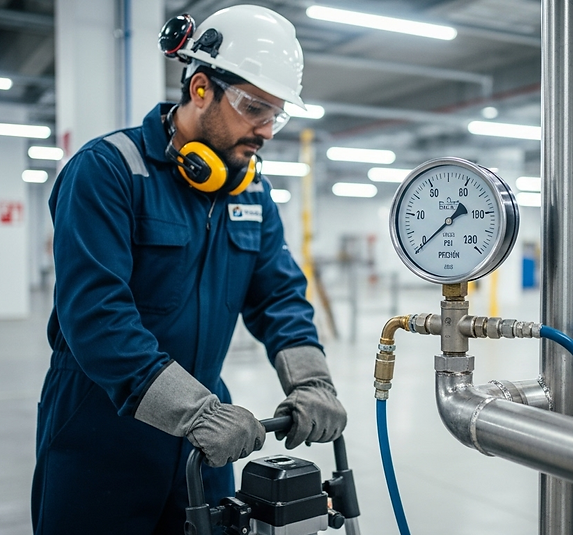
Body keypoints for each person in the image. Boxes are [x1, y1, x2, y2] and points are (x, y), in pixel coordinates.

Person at [31, 6, 347, 533]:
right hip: (100, 431)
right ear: (201, 88)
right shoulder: (108, 171)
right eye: (254, 108)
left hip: (206, 441)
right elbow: (95, 315)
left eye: (276, 115)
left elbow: (279, 298)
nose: (266, 130)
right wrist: (194, 410)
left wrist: (312, 381)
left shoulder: (250, 192)